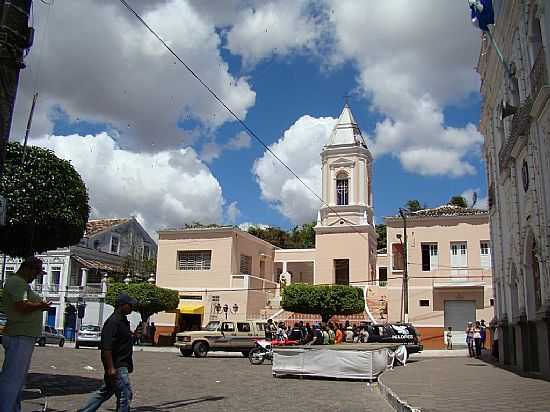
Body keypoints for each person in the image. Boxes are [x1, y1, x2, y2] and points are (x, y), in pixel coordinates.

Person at [0, 257, 50, 412]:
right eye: (36, 273)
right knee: (12, 379)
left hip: (23, 335)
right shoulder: (17, 283)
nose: (36, 276)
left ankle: (13, 408)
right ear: (28, 269)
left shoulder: (21, 284)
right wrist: (40, 306)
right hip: (19, 335)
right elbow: (21, 306)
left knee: (18, 379)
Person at [79, 293, 137, 412]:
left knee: (106, 392)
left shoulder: (123, 321)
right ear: (122, 305)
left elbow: (124, 342)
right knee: (125, 394)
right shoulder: (113, 322)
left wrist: (135, 336)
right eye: (129, 305)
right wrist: (110, 368)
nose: (131, 307)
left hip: (123, 363)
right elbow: (106, 348)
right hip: (117, 365)